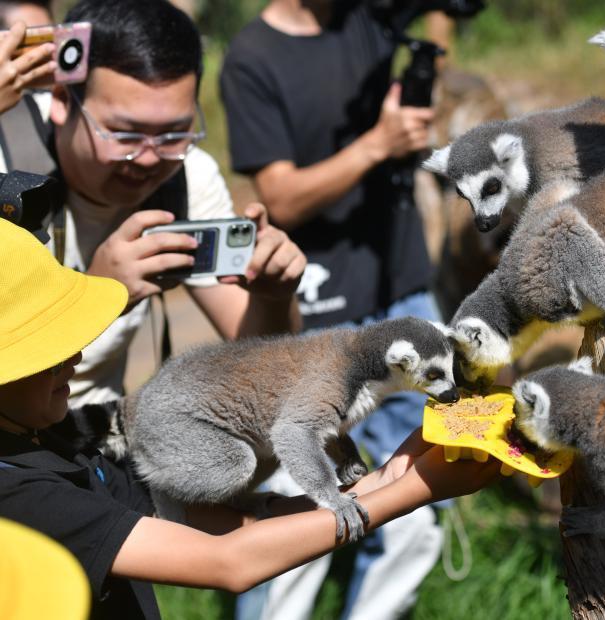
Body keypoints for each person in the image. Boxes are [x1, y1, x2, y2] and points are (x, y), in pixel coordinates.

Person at [0, 217, 499, 620]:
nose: (78, 360)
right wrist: (415, 490)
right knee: (243, 462)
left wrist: (389, 481)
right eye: (51, 351)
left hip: (179, 422)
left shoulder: (56, 449)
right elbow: (231, 561)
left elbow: (227, 528)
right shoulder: (21, 495)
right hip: (188, 423)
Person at [220, 1, 450, 617]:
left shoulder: (369, 20)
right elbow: (280, 197)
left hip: (405, 289)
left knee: (425, 490)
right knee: (303, 503)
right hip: (320, 315)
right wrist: (378, 144)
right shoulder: (252, 58)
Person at [0, 0, 306, 411]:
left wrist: (273, 297)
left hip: (93, 435)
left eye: (174, 134)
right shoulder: (6, 154)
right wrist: (98, 296)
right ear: (60, 98)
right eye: (125, 135)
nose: (148, 158)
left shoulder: (186, 175)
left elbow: (268, 367)